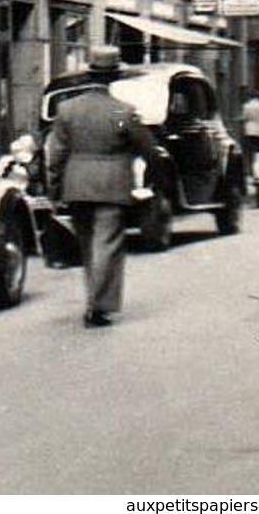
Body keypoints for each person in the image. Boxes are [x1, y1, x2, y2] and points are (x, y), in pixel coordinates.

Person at [44, 45, 158, 328]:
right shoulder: (121, 111)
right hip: (112, 186)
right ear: (113, 78)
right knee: (107, 244)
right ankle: (99, 306)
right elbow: (146, 147)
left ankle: (93, 300)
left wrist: (55, 189)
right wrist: (152, 173)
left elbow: (56, 155)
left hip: (77, 185)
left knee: (87, 245)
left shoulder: (67, 110)